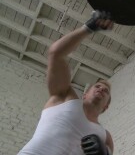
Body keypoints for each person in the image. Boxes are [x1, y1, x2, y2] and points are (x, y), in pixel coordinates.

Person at [18, 11, 115, 155]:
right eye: (97, 86)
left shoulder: (105, 137)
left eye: (106, 91)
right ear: (84, 94)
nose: (101, 89)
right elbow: (56, 53)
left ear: (106, 106)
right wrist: (89, 27)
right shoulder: (64, 98)